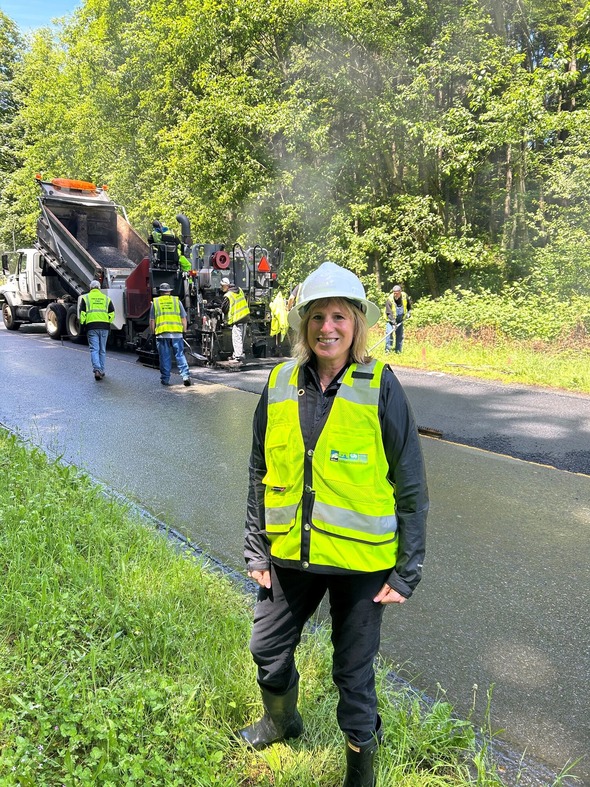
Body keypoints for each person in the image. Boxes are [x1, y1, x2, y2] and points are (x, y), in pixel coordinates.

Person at [239, 261, 428, 786]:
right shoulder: (279, 381)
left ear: (357, 324)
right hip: (289, 554)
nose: (328, 327)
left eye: (339, 316)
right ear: (303, 324)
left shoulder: (380, 385)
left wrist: (407, 570)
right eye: (317, 316)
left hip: (361, 564)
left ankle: (359, 776)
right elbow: (258, 468)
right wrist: (256, 546)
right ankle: (282, 722)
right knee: (266, 648)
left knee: (353, 674)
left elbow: (411, 483)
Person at [149, 282, 192, 386]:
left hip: (162, 334)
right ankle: (185, 376)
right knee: (180, 355)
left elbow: (152, 320)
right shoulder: (177, 301)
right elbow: (183, 318)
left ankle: (165, 379)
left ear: (160, 292)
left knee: (165, 357)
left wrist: (153, 333)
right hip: (177, 333)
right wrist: (184, 331)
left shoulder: (156, 302)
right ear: (169, 292)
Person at [79, 279, 115, 381]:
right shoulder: (106, 299)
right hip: (104, 327)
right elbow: (112, 314)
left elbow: (82, 314)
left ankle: (97, 370)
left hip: (91, 327)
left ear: (90, 288)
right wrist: (107, 321)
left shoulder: (85, 298)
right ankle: (102, 370)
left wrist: (83, 324)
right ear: (99, 288)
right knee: (102, 350)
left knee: (94, 349)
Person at [220, 276, 250, 361]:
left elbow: (224, 309)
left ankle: (238, 356)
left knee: (237, 338)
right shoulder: (239, 289)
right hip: (245, 316)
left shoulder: (228, 295)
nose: (221, 288)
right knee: (241, 337)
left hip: (237, 319)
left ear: (226, 286)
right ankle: (237, 353)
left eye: (222, 286)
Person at [384, 284, 412, 353]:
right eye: (394, 293)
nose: (395, 295)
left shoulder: (404, 296)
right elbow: (389, 312)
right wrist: (393, 323)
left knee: (399, 335)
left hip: (400, 319)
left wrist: (409, 312)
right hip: (390, 319)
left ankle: (398, 351)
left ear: (400, 292)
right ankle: (388, 350)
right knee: (389, 334)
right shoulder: (390, 299)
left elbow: (409, 305)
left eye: (397, 293)